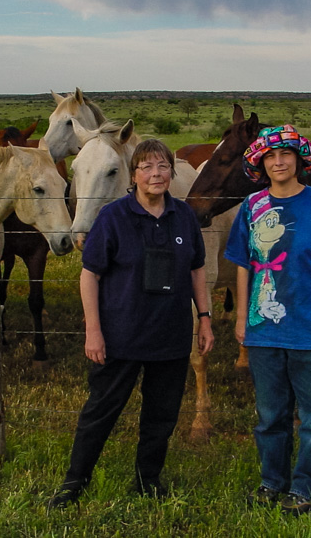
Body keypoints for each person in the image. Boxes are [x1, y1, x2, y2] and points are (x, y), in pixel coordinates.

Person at [47, 138, 216, 509]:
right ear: (134, 174)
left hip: (170, 336)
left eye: (162, 166)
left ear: (172, 171)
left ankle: (148, 479)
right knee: (101, 411)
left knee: (161, 416)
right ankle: (74, 482)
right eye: (147, 167)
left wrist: (204, 318)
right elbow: (89, 275)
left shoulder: (184, 216)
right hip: (120, 335)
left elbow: (197, 269)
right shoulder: (113, 217)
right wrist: (93, 330)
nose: (155, 174)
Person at [223, 124, 311, 516]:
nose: (278, 162)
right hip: (264, 327)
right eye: (270, 156)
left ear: (300, 160)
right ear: (261, 163)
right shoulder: (252, 207)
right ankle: (271, 483)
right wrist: (242, 319)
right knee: (270, 417)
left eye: (285, 154)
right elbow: (245, 266)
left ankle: (306, 488)